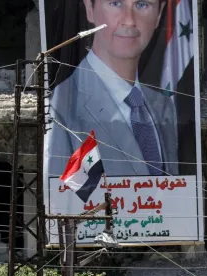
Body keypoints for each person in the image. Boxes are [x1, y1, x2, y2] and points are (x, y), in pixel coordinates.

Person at [46, 0, 179, 179]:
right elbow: (66, 199)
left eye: (142, 5)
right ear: (89, 9)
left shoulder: (162, 106)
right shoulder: (62, 106)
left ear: (159, 14)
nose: (129, 20)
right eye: (116, 3)